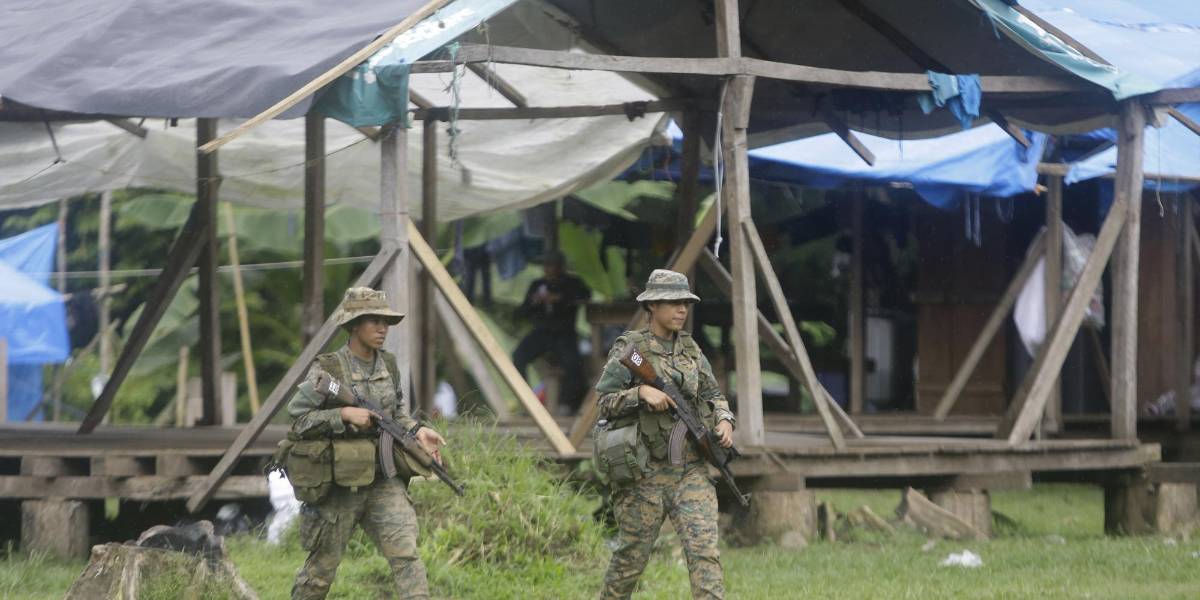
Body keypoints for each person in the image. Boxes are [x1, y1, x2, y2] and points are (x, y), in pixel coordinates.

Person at [286, 287, 446, 600]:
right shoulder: (329, 369)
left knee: (407, 556)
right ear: (353, 325)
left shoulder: (388, 364)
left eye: (385, 321)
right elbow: (297, 420)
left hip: (383, 480)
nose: (382, 328)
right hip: (339, 484)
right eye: (373, 321)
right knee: (320, 572)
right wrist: (342, 414)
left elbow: (397, 413)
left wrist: (417, 430)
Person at [593, 269, 735, 600]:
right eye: (673, 303)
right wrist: (639, 394)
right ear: (653, 306)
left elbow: (714, 395)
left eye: (684, 302)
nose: (681, 310)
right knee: (630, 559)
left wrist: (725, 420)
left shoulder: (691, 349)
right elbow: (603, 403)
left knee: (705, 553)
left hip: (691, 470)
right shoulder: (632, 349)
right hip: (645, 474)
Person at [512, 251, 591, 413]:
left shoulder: (572, 283)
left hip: (564, 333)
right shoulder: (537, 284)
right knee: (518, 357)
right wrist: (534, 302)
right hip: (541, 332)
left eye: (552, 266)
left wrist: (559, 298)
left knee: (573, 365)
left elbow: (585, 296)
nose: (549, 270)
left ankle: (567, 404)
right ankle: (526, 401)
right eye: (546, 266)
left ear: (560, 267)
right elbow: (522, 312)